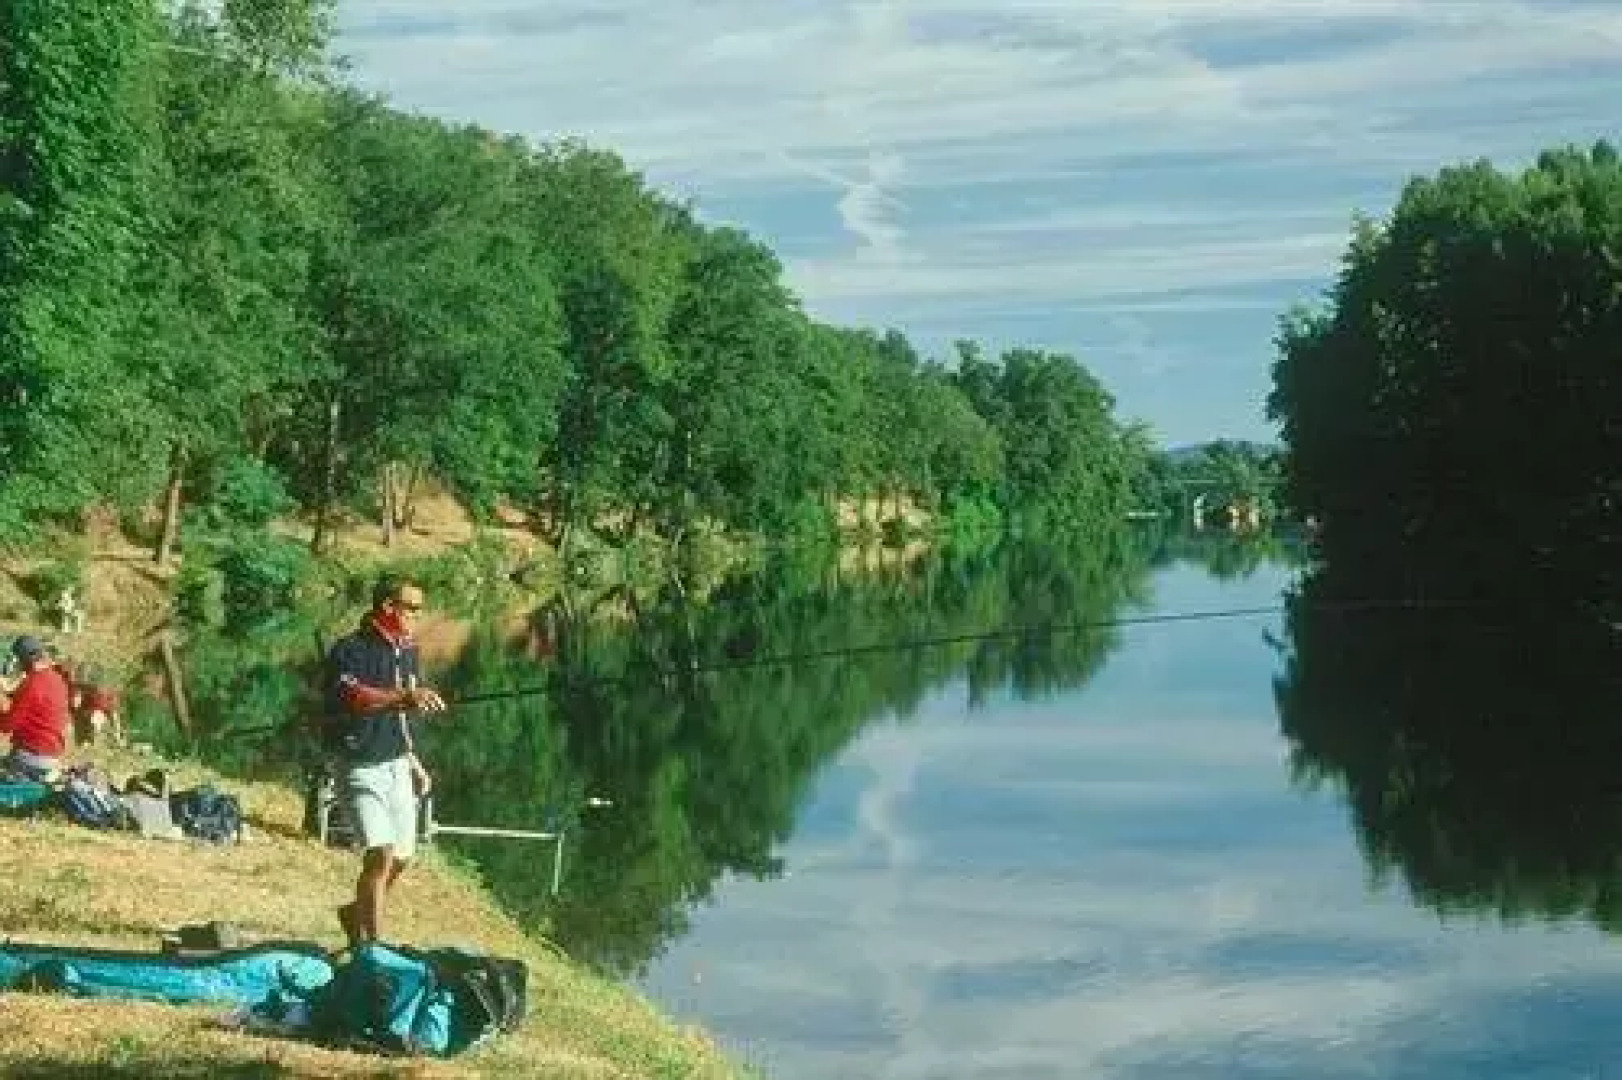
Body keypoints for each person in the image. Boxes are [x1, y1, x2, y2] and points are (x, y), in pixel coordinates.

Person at [323, 575, 447, 947]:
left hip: (396, 766)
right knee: (381, 853)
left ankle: (355, 913)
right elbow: (354, 697)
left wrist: (414, 761)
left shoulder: (408, 651)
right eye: (411, 608)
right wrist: (401, 697)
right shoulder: (349, 650)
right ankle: (373, 948)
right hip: (358, 766)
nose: (417, 615)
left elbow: (403, 715)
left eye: (420, 609)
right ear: (387, 608)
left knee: (402, 857)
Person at [0, 636, 72, 781]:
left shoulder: (32, 684)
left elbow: (7, 725)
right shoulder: (57, 680)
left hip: (30, 758)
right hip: (53, 758)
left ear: (25, 660)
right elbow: (34, 704)